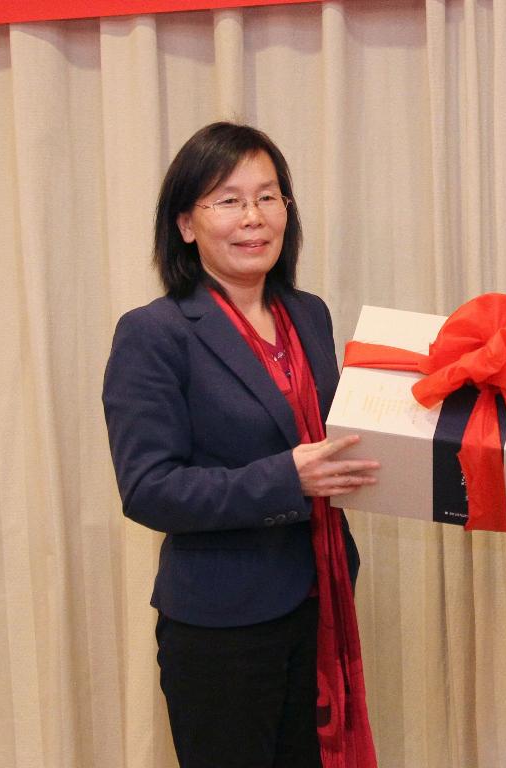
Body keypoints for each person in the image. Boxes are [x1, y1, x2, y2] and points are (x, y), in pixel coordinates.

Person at [103, 122, 380, 767]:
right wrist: (287, 479)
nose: (253, 217)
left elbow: (337, 435)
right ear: (186, 224)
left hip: (319, 600)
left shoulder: (309, 314)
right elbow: (148, 489)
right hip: (220, 626)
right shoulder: (155, 333)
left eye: (268, 196)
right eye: (228, 200)